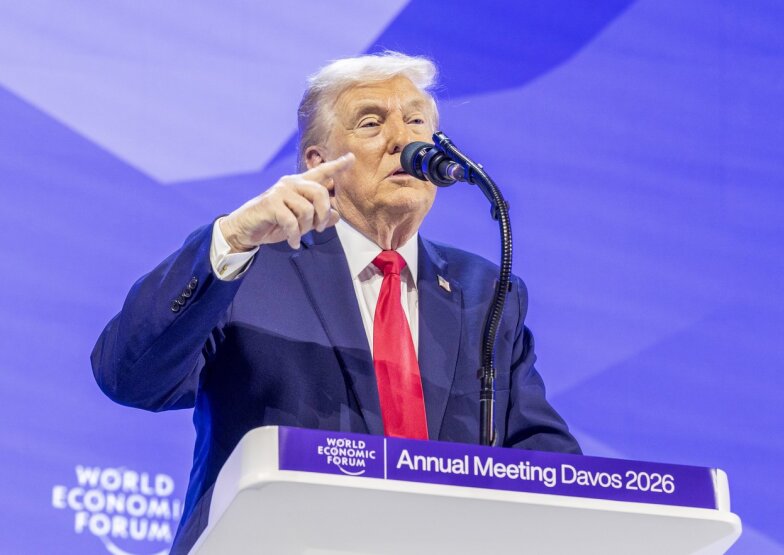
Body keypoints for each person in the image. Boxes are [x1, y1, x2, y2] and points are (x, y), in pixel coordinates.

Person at [92, 51, 580, 554]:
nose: (403, 140)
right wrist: (232, 238)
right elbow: (128, 377)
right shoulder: (248, 265)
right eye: (372, 123)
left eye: (417, 121)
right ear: (318, 164)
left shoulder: (485, 292)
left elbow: (550, 464)